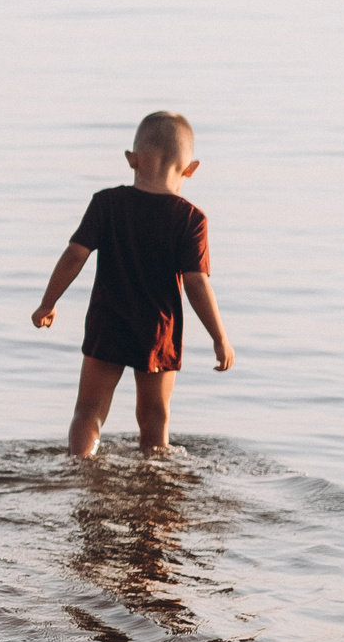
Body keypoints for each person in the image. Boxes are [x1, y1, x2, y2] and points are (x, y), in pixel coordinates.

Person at [31, 111, 234, 457]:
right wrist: (219, 338)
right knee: (154, 415)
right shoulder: (190, 219)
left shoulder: (106, 203)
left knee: (88, 412)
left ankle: (80, 465)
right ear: (191, 168)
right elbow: (196, 284)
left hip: (107, 323)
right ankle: (153, 475)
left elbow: (74, 255)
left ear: (132, 160)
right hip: (158, 330)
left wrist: (47, 303)